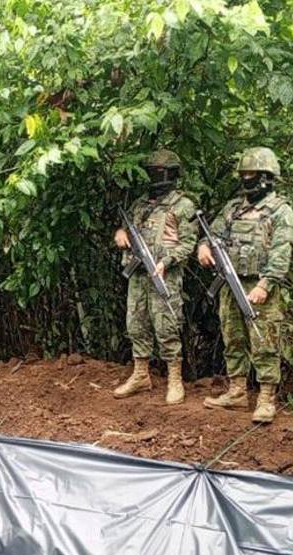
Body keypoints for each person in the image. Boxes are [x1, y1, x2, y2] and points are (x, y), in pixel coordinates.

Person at [197, 147, 293, 423]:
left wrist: (265, 285)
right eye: (243, 174)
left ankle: (266, 398)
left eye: (251, 174)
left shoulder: (280, 210)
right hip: (230, 283)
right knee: (233, 338)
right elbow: (212, 233)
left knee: (264, 341)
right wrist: (204, 247)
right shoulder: (233, 208)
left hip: (261, 286)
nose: (246, 179)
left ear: (266, 176)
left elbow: (281, 252)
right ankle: (237, 392)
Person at [112, 149, 198, 404]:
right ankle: (140, 375)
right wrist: (120, 234)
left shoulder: (183, 205)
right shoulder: (140, 204)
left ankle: (174, 379)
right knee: (135, 324)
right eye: (152, 172)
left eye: (160, 172)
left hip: (165, 275)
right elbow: (126, 230)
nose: (155, 177)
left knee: (167, 326)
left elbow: (188, 243)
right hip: (138, 274)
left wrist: (166, 261)